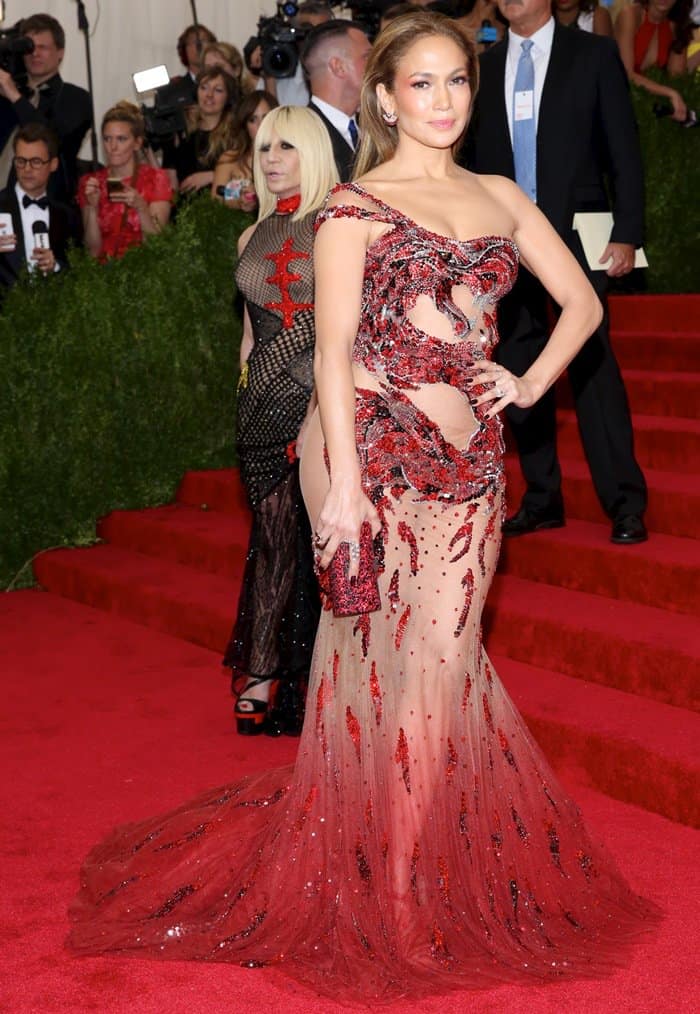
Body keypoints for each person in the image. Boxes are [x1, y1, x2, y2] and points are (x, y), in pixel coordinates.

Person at [68, 12, 659, 1002]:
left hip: (472, 465)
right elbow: (333, 355)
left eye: (457, 83)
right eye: (420, 85)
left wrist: (526, 380)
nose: (442, 100)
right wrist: (339, 484)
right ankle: (392, 899)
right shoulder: (353, 208)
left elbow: (586, 304)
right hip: (369, 450)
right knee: (398, 672)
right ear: (383, 99)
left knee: (442, 666)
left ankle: (404, 856)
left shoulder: (501, 195)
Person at [469, 0, 648, 545]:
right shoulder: (484, 67)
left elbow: (624, 148)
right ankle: (542, 498)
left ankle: (624, 501)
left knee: (591, 365)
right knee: (518, 363)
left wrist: (628, 230)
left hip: (577, 236)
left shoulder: (592, 54)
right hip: (506, 242)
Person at [222, 106, 336, 737]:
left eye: (285, 147)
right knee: (272, 539)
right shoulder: (251, 235)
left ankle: (317, 678)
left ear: (313, 151)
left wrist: (323, 408)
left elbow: (343, 333)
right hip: (261, 406)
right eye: (264, 147)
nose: (270, 159)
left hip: (316, 398)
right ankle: (264, 669)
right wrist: (244, 397)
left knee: (321, 541)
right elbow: (249, 335)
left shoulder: (335, 226)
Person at [0, 13, 92, 204]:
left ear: (60, 52)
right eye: (30, 47)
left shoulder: (75, 97)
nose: (35, 54)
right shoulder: (7, 94)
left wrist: (14, 96)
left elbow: (50, 140)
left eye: (43, 48)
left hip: (50, 207)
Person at [78, 102, 172, 260]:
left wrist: (142, 208)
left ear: (137, 143)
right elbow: (92, 252)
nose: (112, 146)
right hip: (105, 275)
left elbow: (157, 246)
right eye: (107, 139)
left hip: (145, 273)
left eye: (121, 139)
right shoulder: (91, 182)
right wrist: (93, 209)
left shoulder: (156, 179)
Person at [0, 123, 79, 292]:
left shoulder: (67, 214)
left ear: (53, 164)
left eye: (35, 161)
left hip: (51, 312)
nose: (27, 169)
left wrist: (56, 266)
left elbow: (77, 269)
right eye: (21, 161)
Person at [302, 20, 373, 181]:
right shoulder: (301, 137)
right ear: (338, 67)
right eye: (367, 56)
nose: (377, 64)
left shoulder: (373, 127)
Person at [161, 68, 237, 195]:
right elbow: (170, 186)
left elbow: (245, 190)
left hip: (224, 210)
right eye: (204, 88)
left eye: (218, 90)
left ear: (228, 98)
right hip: (185, 210)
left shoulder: (236, 135)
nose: (209, 94)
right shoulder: (182, 132)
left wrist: (212, 176)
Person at [615, 0, 692, 121]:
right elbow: (625, 74)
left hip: (649, 110)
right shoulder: (630, 15)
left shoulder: (676, 25)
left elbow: (677, 79)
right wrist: (670, 93)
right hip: (618, 102)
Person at [211, 90, 278, 213]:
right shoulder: (230, 158)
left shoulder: (290, 155)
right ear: (245, 125)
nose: (260, 125)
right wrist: (240, 201)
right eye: (253, 119)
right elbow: (217, 199)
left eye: (266, 117)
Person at [173, 23, 218, 102]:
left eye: (203, 40)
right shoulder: (173, 89)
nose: (198, 46)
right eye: (193, 41)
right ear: (184, 50)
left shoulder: (224, 85)